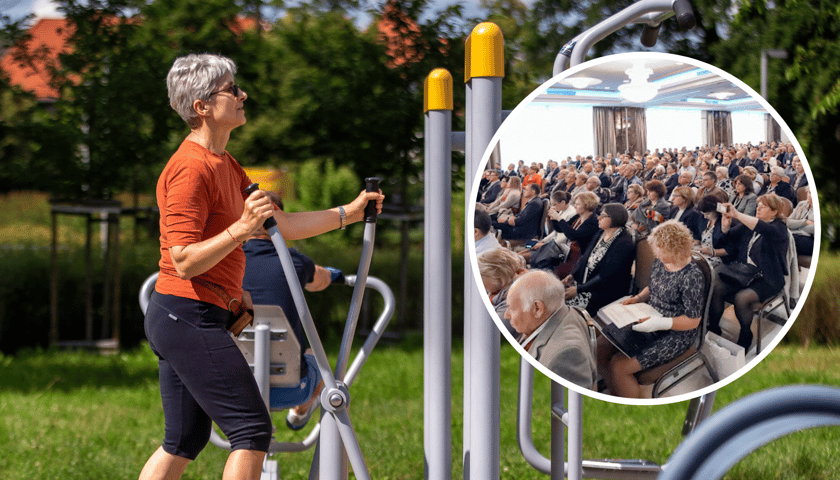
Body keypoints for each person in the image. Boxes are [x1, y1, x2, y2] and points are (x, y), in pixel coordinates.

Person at [141, 53, 384, 480]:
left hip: (190, 315)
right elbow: (182, 260)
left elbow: (283, 224)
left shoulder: (228, 164)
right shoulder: (189, 169)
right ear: (201, 107)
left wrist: (351, 210)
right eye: (232, 89)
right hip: (187, 314)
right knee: (252, 431)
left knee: (183, 441)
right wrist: (241, 229)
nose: (242, 94)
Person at [242, 191, 332, 430]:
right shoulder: (293, 261)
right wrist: (332, 274)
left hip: (233, 390)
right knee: (317, 357)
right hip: (291, 390)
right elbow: (320, 280)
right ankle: (299, 413)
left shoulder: (227, 262)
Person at [599, 221, 704, 398]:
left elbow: (693, 321)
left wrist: (661, 323)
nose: (656, 254)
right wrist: (639, 298)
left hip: (675, 332)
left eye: (661, 250)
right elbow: (653, 286)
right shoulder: (661, 261)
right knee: (600, 347)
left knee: (620, 366)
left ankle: (627, 403)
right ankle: (617, 391)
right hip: (649, 316)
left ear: (676, 249)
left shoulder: (692, 275)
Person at [707, 194, 790, 350]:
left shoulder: (779, 229)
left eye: (763, 206)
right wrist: (725, 228)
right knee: (716, 287)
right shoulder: (749, 225)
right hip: (745, 272)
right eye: (757, 205)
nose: (758, 208)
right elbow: (727, 239)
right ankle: (714, 329)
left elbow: (763, 228)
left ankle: (746, 334)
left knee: (742, 298)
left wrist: (737, 214)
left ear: (774, 212)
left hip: (768, 277)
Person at [504, 270, 597, 389]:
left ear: (537, 309)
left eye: (511, 309)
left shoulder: (564, 355)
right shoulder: (555, 312)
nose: (507, 315)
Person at [562, 203, 635, 317]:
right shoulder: (601, 232)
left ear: (615, 218)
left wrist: (579, 289)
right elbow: (585, 257)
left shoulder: (623, 243)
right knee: (555, 294)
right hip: (588, 283)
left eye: (603, 216)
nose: (598, 217)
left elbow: (607, 275)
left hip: (604, 290)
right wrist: (573, 275)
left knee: (562, 304)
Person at [478, 247, 527, 336]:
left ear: (497, 277)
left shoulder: (512, 301)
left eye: (482, 276)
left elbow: (490, 333)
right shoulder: (495, 292)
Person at [695, 194, 731, 269]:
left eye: (707, 214)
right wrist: (695, 242)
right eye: (703, 213)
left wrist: (712, 252)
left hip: (717, 257)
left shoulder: (725, 221)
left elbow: (729, 249)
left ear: (715, 210)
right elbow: (699, 236)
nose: (705, 216)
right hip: (702, 252)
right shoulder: (703, 218)